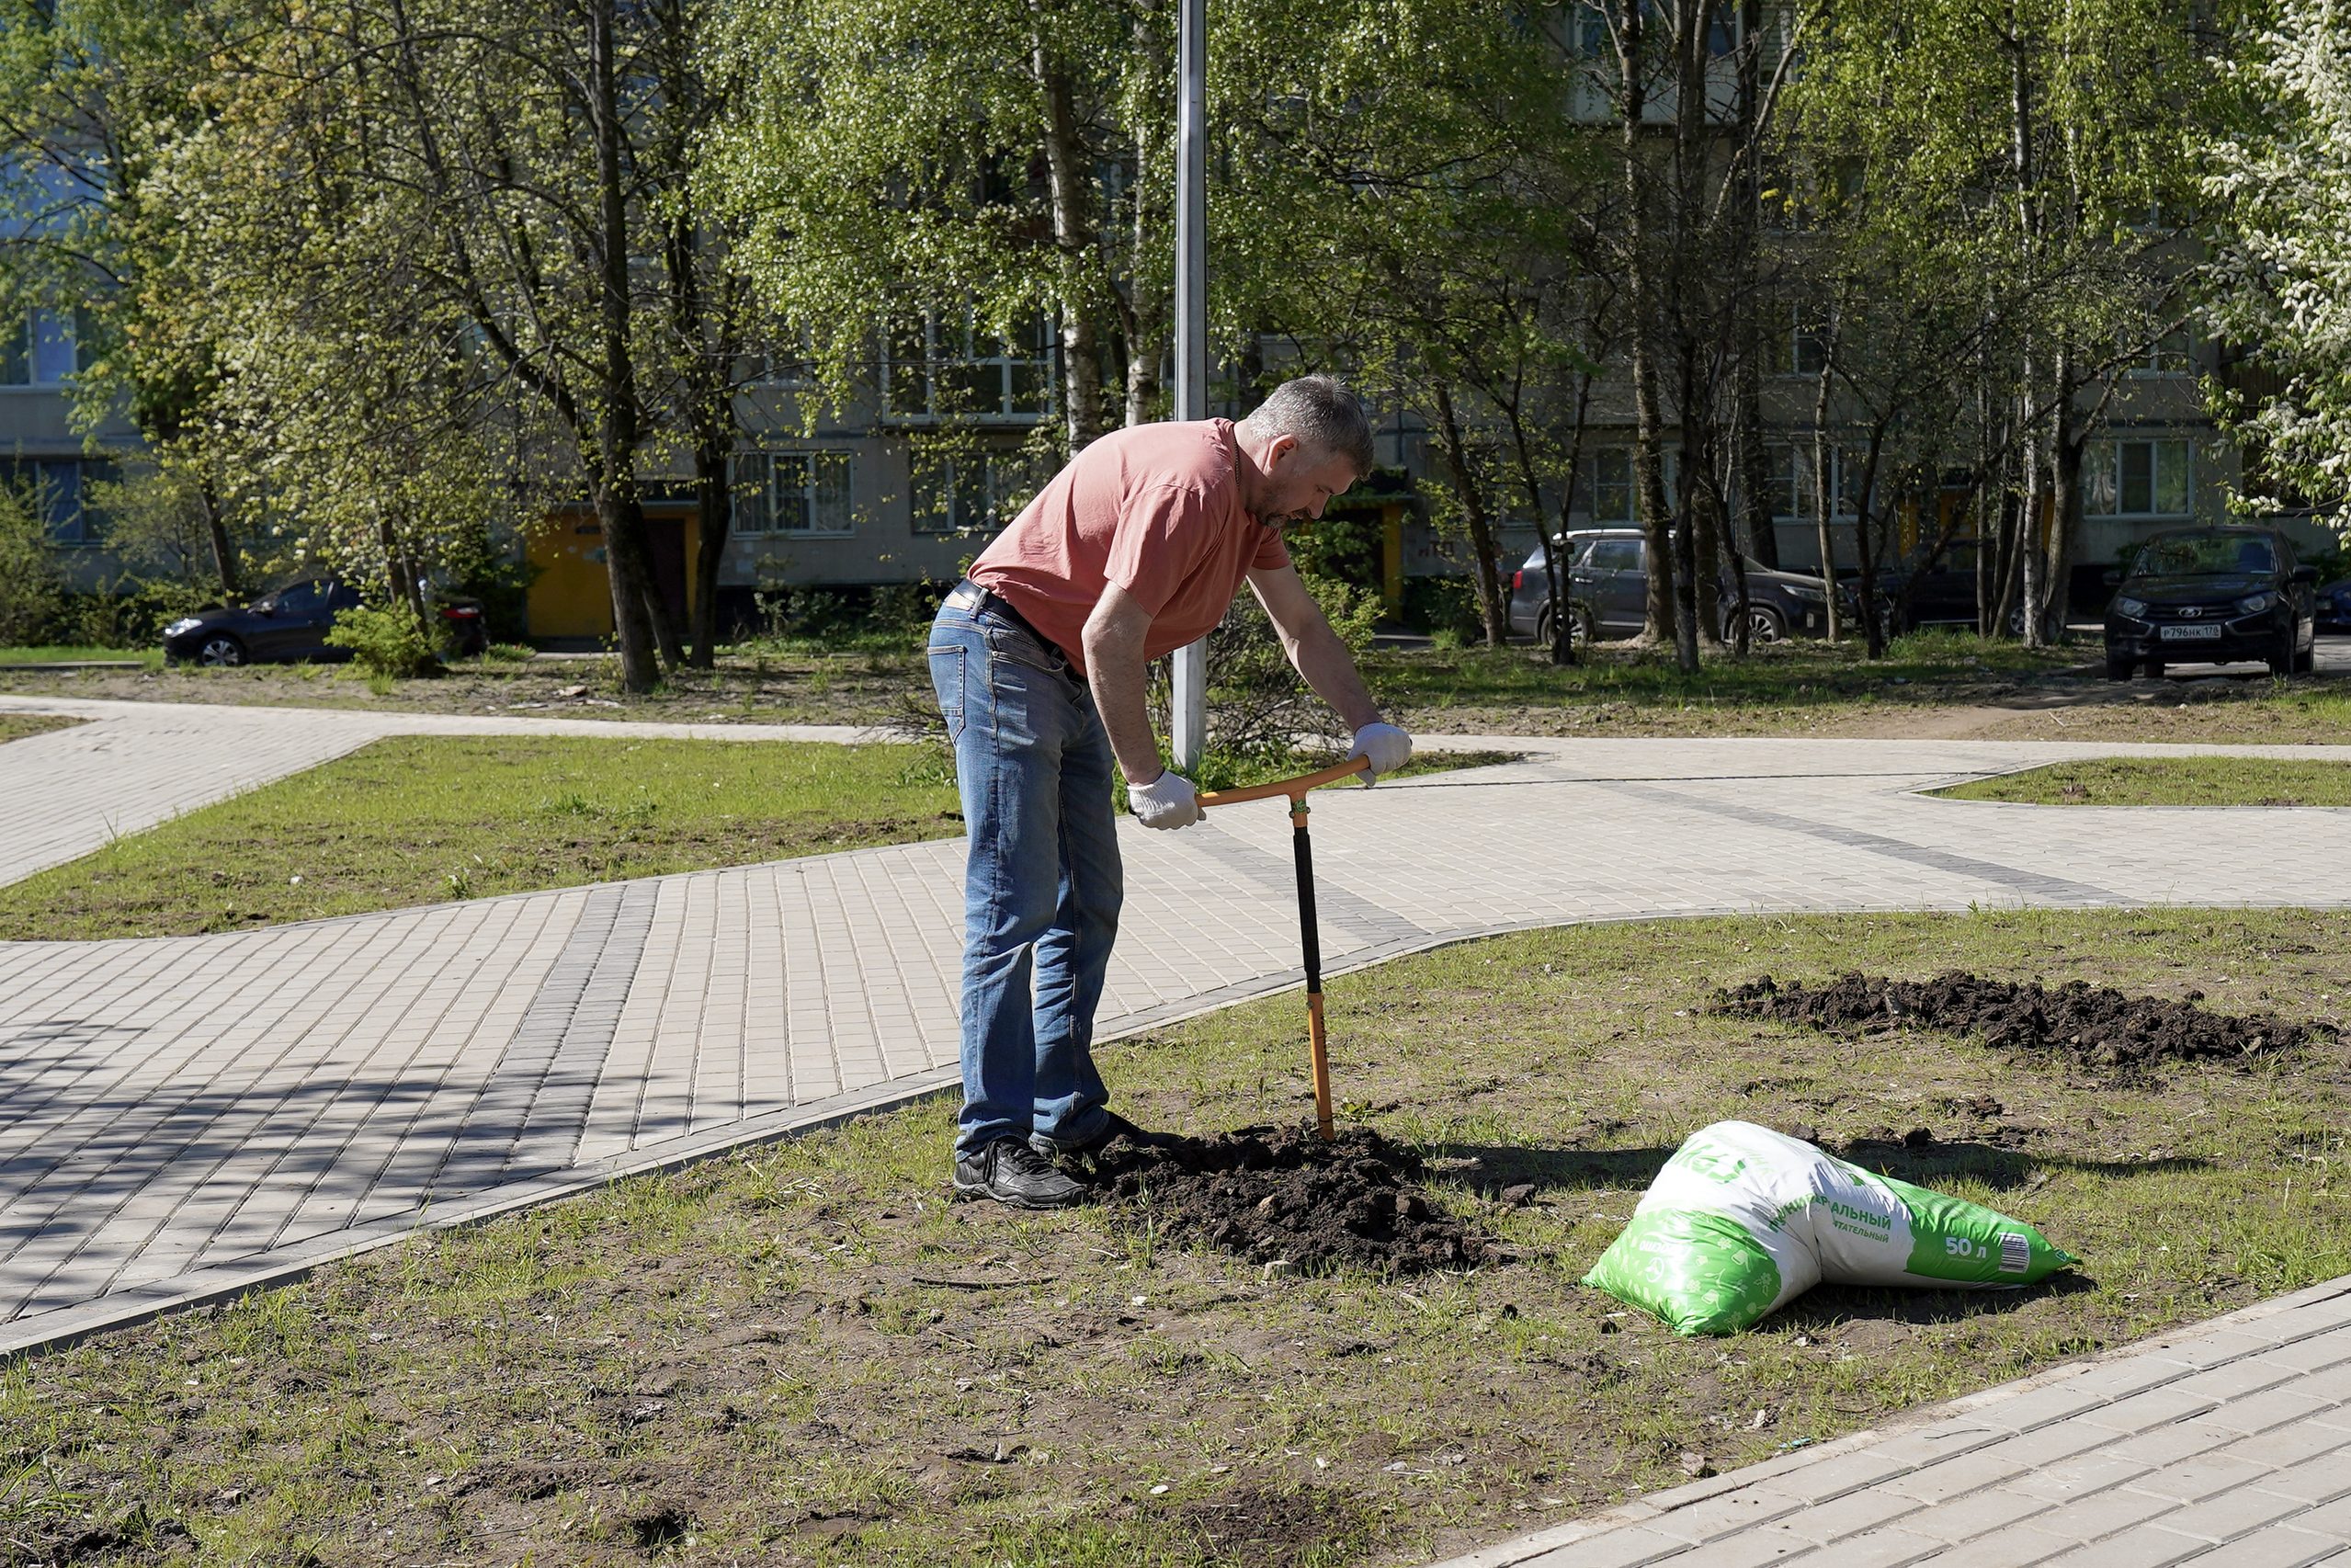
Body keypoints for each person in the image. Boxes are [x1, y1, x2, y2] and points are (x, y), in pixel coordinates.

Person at [927, 375, 1414, 1210]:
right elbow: (1111, 630)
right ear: (1284, 451)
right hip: (1002, 651)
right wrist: (1147, 777)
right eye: (1322, 491)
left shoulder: (1250, 505)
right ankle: (991, 1144)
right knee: (1015, 901)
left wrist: (1367, 722)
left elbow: (1300, 625)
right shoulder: (1196, 484)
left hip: (1066, 670)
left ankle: (1064, 1113)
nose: (1319, 512)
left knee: (1090, 900)